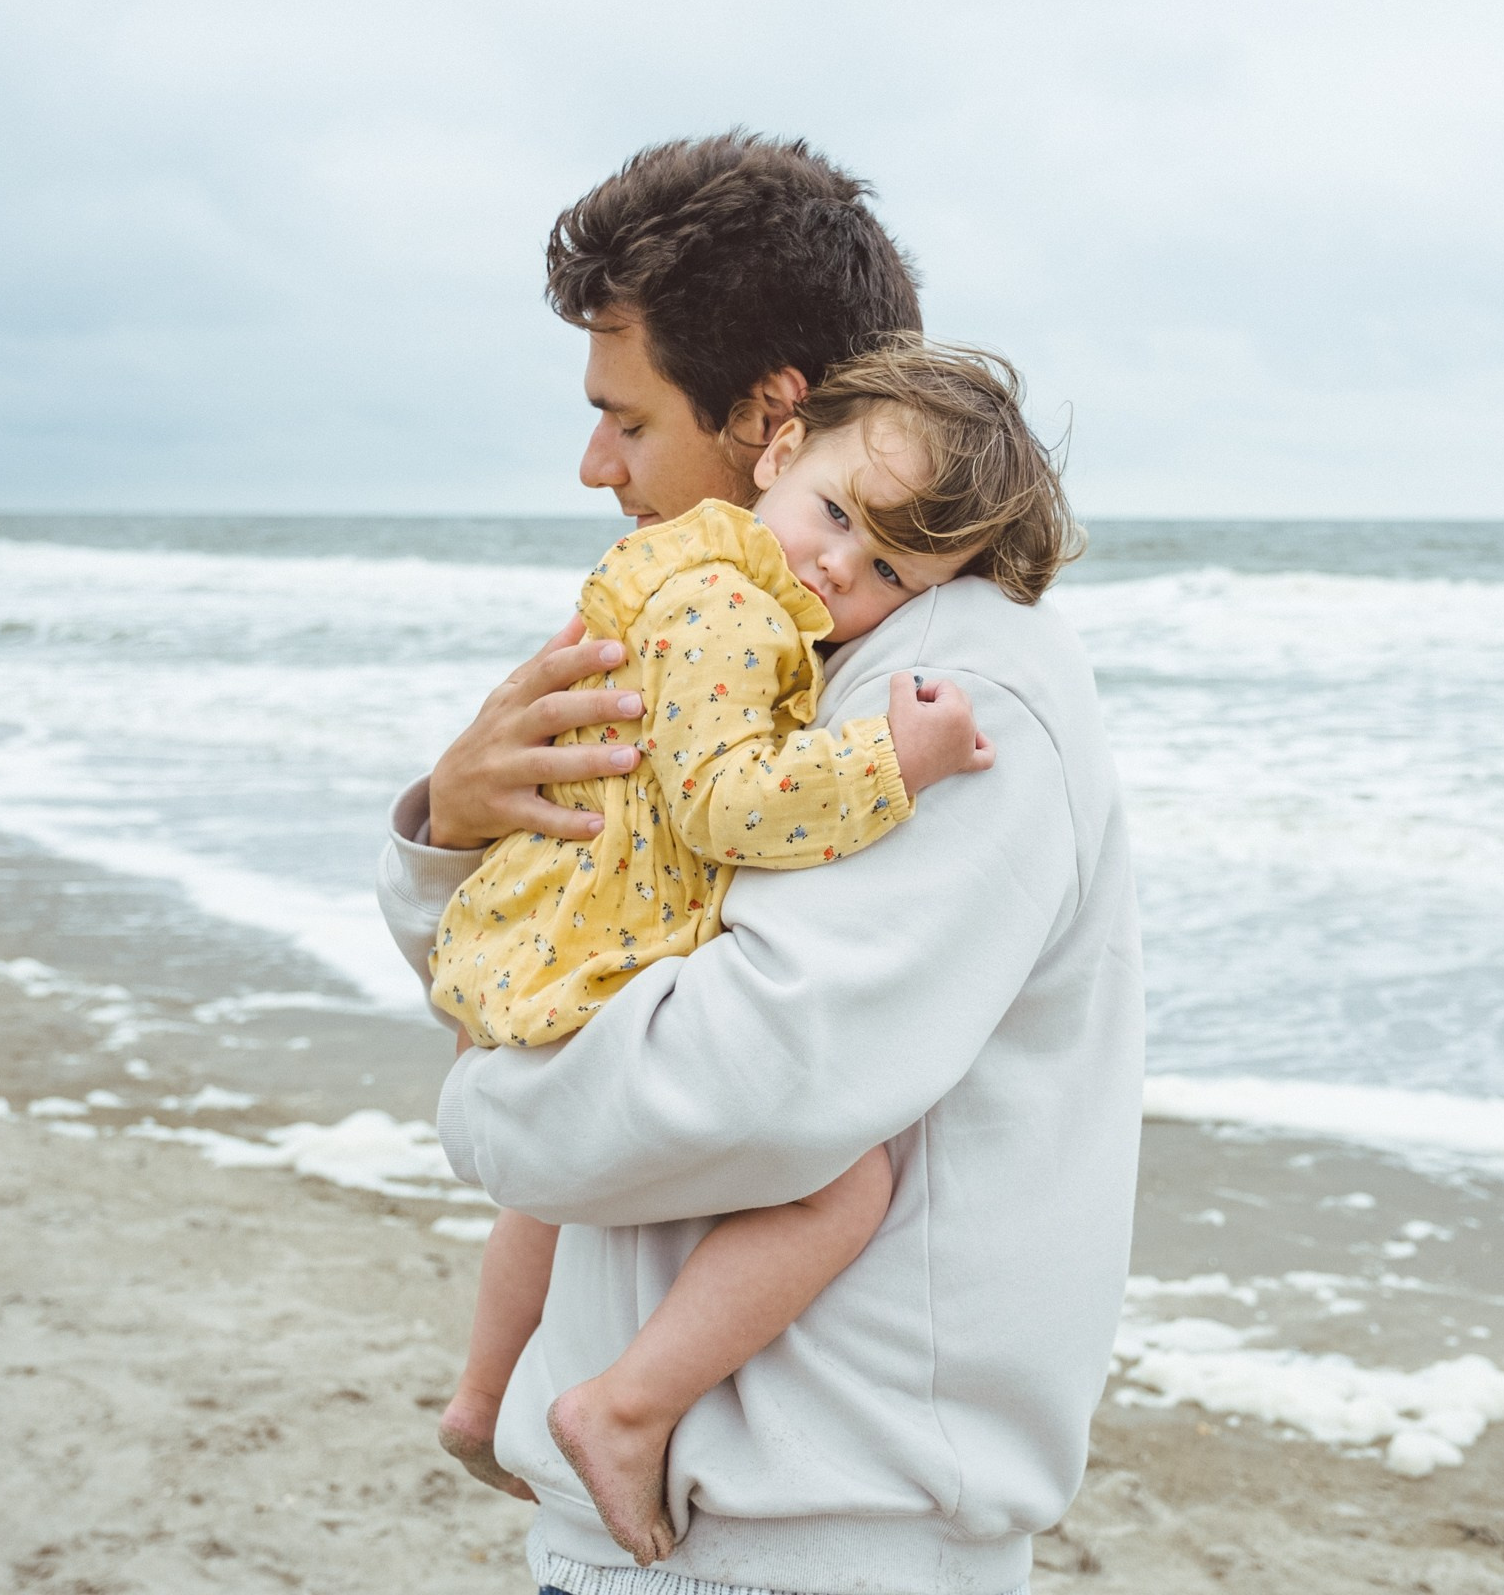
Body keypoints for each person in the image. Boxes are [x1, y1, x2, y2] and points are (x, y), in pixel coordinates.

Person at [378, 132, 1143, 1595]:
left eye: (630, 419)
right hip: (667, 1527)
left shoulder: (961, 696)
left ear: (772, 418)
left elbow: (740, 1086)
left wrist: (477, 1111)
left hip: (817, 1536)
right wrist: (451, 833)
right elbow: (558, 956)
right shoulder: (740, 647)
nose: (594, 466)